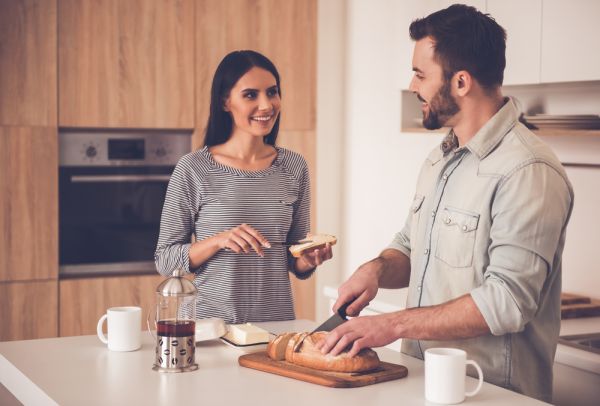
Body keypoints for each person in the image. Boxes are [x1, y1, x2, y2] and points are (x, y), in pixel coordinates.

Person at [317, 4, 573, 403]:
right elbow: (410, 245)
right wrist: (377, 270)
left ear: (461, 82)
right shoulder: (442, 157)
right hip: (421, 383)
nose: (413, 84)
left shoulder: (528, 171)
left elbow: (507, 301)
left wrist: (393, 325)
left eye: (420, 73)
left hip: (489, 393)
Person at [155, 50, 332, 324]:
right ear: (226, 102)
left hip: (276, 328)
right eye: (251, 95)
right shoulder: (194, 168)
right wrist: (218, 240)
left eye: (272, 93)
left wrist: (307, 260)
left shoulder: (294, 167)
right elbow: (165, 261)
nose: (266, 105)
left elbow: (293, 255)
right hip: (211, 330)